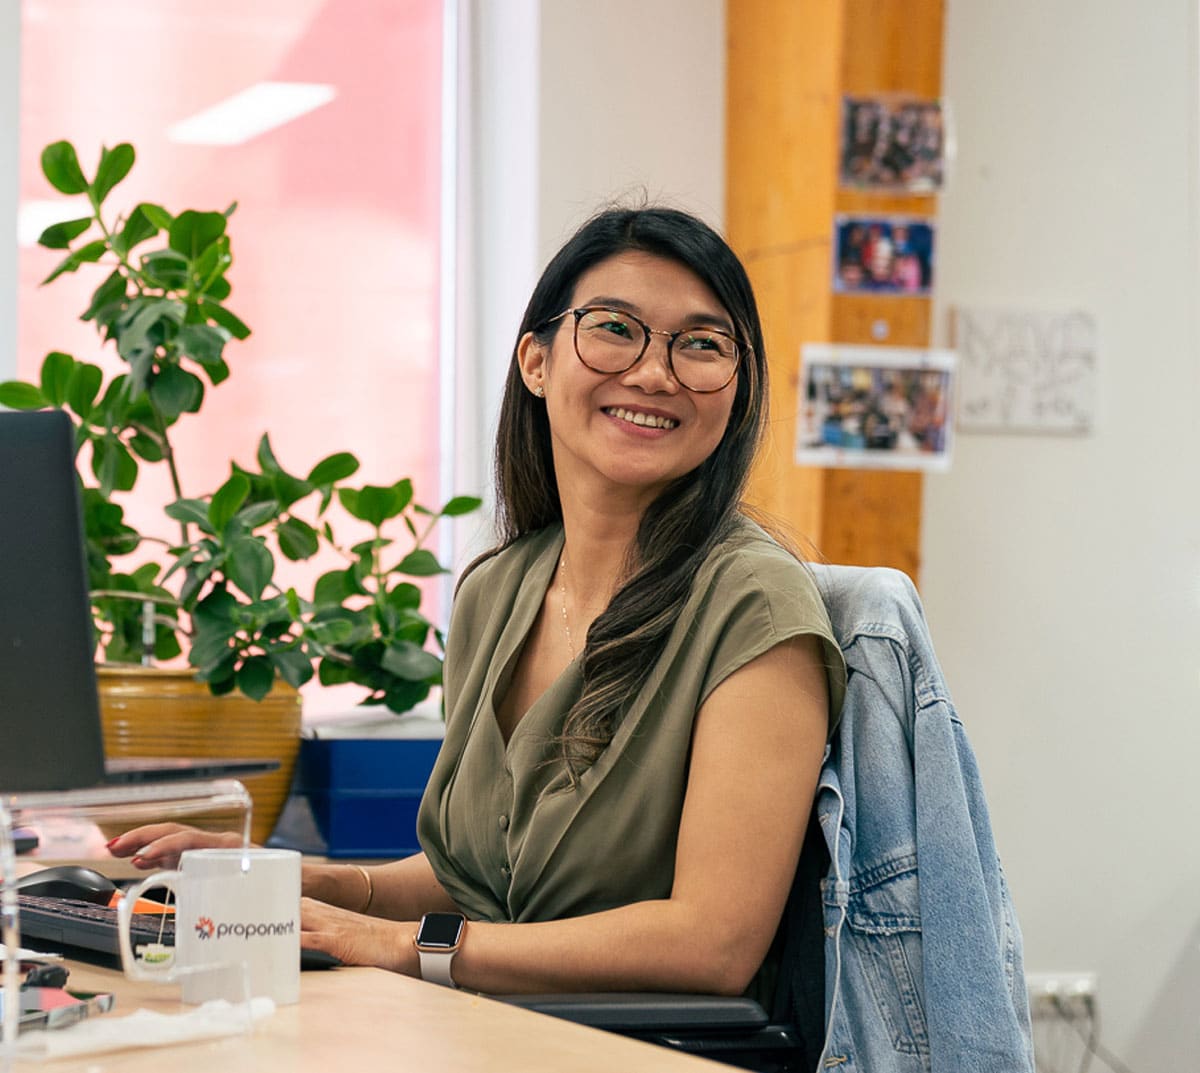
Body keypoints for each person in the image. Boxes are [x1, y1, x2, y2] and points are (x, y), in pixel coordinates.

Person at [109, 206, 846, 1008]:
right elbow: (483, 879)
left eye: (702, 344)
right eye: (615, 329)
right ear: (535, 359)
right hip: (483, 1025)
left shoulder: (754, 605)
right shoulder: (499, 589)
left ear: (737, 390)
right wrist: (290, 879)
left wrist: (402, 945)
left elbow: (713, 942)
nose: (655, 373)